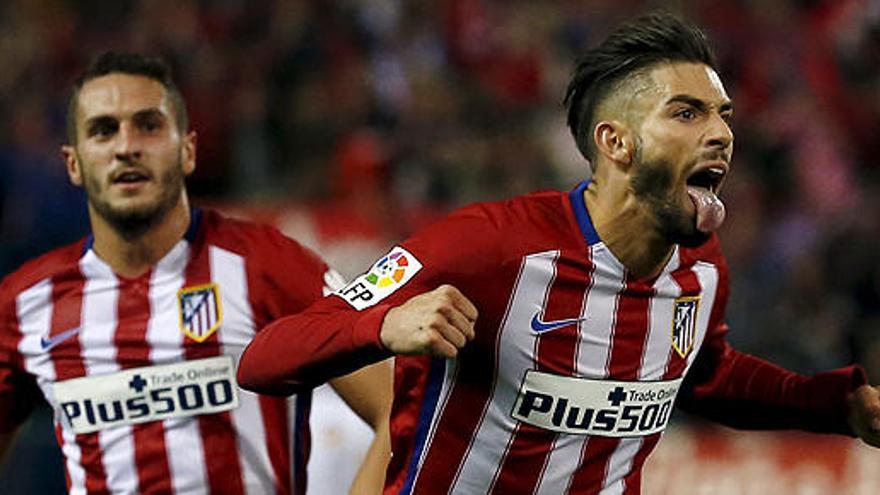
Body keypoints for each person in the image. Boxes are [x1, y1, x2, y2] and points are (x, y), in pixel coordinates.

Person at [237, 12, 880, 495]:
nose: (720, 134)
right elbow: (268, 358)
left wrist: (831, 403)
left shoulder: (701, 268)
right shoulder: (487, 246)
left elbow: (706, 375)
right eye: (686, 113)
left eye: (723, 114)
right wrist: (382, 326)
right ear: (616, 143)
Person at [0, 52, 391, 495]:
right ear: (73, 163)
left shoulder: (272, 267)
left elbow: (398, 408)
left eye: (148, 125)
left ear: (187, 150)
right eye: (103, 130)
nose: (126, 146)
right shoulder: (25, 303)